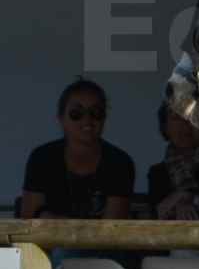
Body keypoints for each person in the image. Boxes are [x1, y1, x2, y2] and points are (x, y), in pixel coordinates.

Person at [20, 78, 134, 221]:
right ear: (61, 118)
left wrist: (53, 220)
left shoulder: (119, 162)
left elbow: (112, 228)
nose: (87, 120)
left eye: (96, 112)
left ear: (104, 118)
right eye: (76, 113)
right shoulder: (42, 158)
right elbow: (29, 220)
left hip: (100, 243)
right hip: (47, 243)